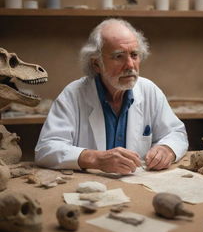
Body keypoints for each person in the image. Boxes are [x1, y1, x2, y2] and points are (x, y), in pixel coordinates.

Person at [35, 18, 188, 174]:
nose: (130, 65)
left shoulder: (149, 90)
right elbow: (46, 149)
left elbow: (176, 133)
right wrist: (96, 159)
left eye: (134, 55)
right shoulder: (73, 94)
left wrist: (167, 149)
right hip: (88, 188)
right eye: (118, 56)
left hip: (137, 186)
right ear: (96, 64)